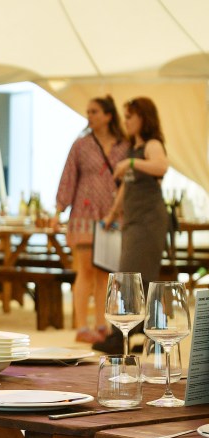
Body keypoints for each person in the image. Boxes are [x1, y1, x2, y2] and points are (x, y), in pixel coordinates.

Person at [94, 96, 170, 354]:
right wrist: (113, 213)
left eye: (130, 116)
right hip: (133, 221)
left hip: (149, 220)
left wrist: (132, 162)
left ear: (143, 118)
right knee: (139, 278)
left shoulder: (152, 145)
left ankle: (124, 335)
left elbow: (162, 166)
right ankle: (151, 336)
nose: (126, 121)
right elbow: (126, 186)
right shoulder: (132, 149)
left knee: (133, 277)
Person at [55, 95, 128, 345]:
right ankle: (81, 326)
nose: (90, 115)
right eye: (88, 111)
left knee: (104, 273)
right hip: (84, 215)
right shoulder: (81, 145)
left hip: (112, 216)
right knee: (84, 269)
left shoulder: (124, 146)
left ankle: (101, 324)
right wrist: (58, 210)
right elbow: (68, 177)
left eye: (95, 111)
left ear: (108, 115)